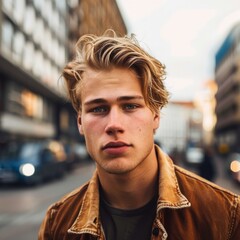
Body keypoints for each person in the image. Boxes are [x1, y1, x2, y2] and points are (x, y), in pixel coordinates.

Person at [38, 30, 240, 240]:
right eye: (98, 109)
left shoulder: (226, 216)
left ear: (155, 116)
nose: (114, 125)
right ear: (80, 122)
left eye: (130, 106)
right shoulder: (57, 224)